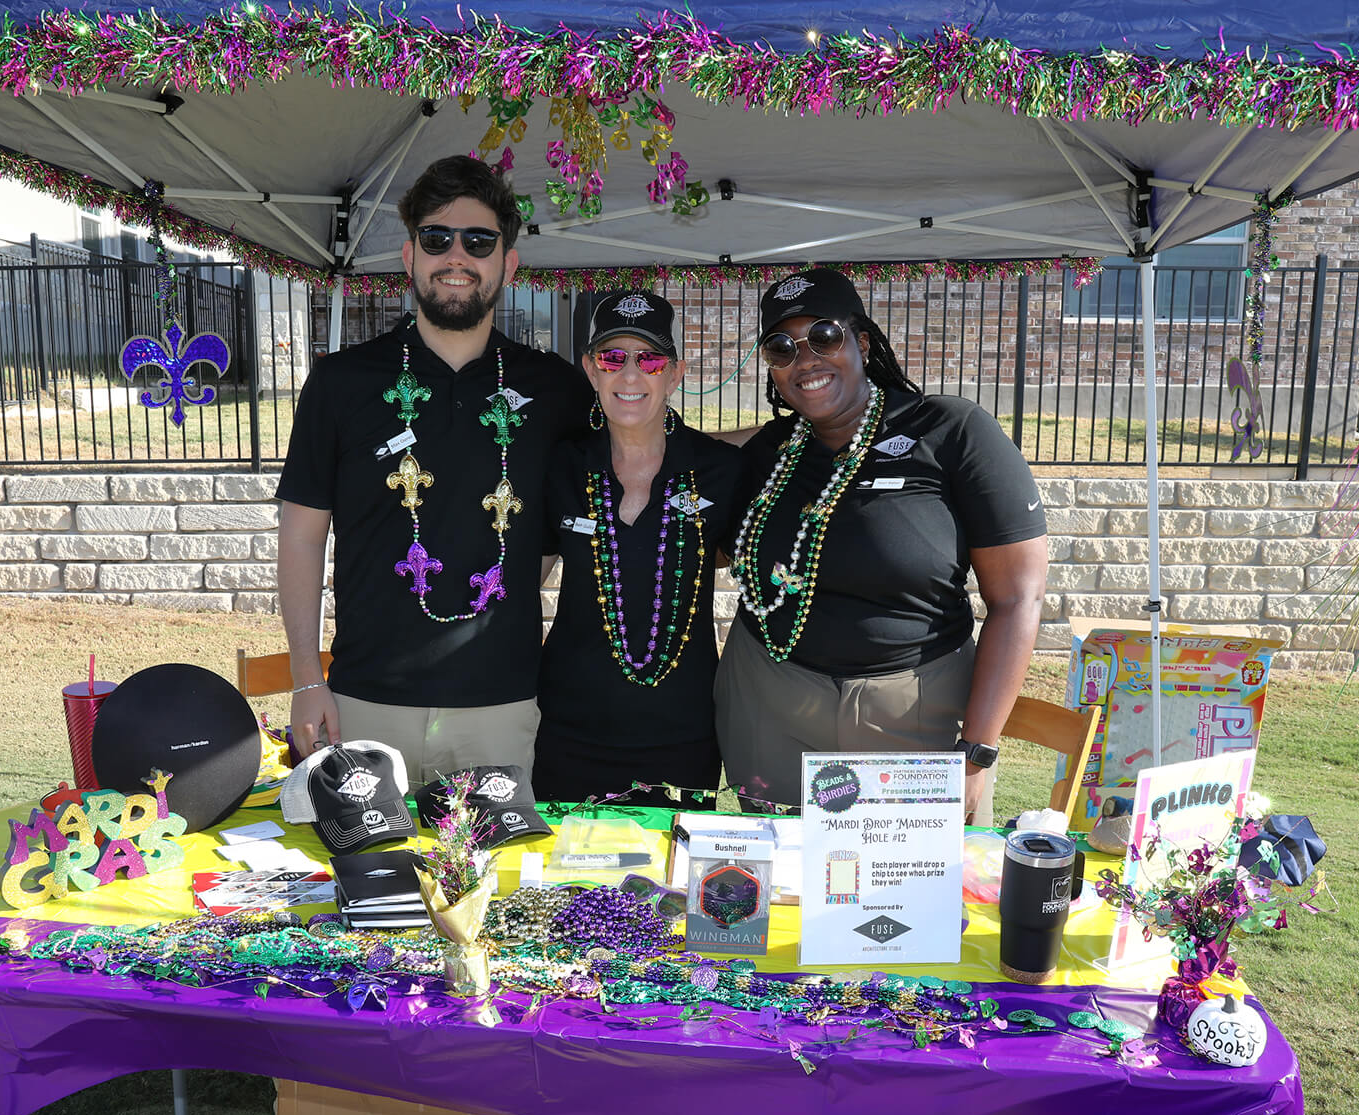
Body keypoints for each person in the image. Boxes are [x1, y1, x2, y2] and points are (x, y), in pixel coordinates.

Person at [275, 156, 589, 780]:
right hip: (365, 701)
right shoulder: (342, 382)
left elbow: (628, 462)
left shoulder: (554, 387)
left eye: (478, 241)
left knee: (494, 879)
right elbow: (302, 535)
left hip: (500, 705)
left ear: (508, 263)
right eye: (436, 239)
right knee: (365, 877)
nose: (456, 256)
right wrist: (309, 679)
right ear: (409, 257)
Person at [716, 268, 1048, 811]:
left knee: (915, 889)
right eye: (781, 348)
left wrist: (977, 752)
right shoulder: (769, 454)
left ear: (862, 342)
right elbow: (694, 491)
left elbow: (1018, 599)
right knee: (785, 888)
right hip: (770, 707)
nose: (806, 359)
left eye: (823, 337)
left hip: (912, 714)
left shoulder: (950, 432)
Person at [535, 291, 745, 808]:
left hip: (682, 735)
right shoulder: (561, 467)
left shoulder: (720, 469)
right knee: (567, 882)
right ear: (590, 369)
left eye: (649, 359)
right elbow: (521, 580)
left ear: (674, 373)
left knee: (666, 886)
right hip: (568, 731)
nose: (630, 376)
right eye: (612, 358)